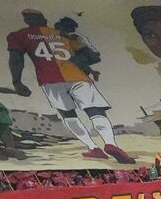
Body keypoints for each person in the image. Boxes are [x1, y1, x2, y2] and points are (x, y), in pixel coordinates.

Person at [7, 9, 133, 164]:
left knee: (68, 115)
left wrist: (17, 82)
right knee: (95, 110)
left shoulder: (18, 35)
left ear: (27, 21)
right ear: (43, 19)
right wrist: (84, 66)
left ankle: (93, 147)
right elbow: (91, 56)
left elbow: (16, 59)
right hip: (77, 76)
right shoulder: (64, 34)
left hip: (50, 80)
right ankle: (110, 144)